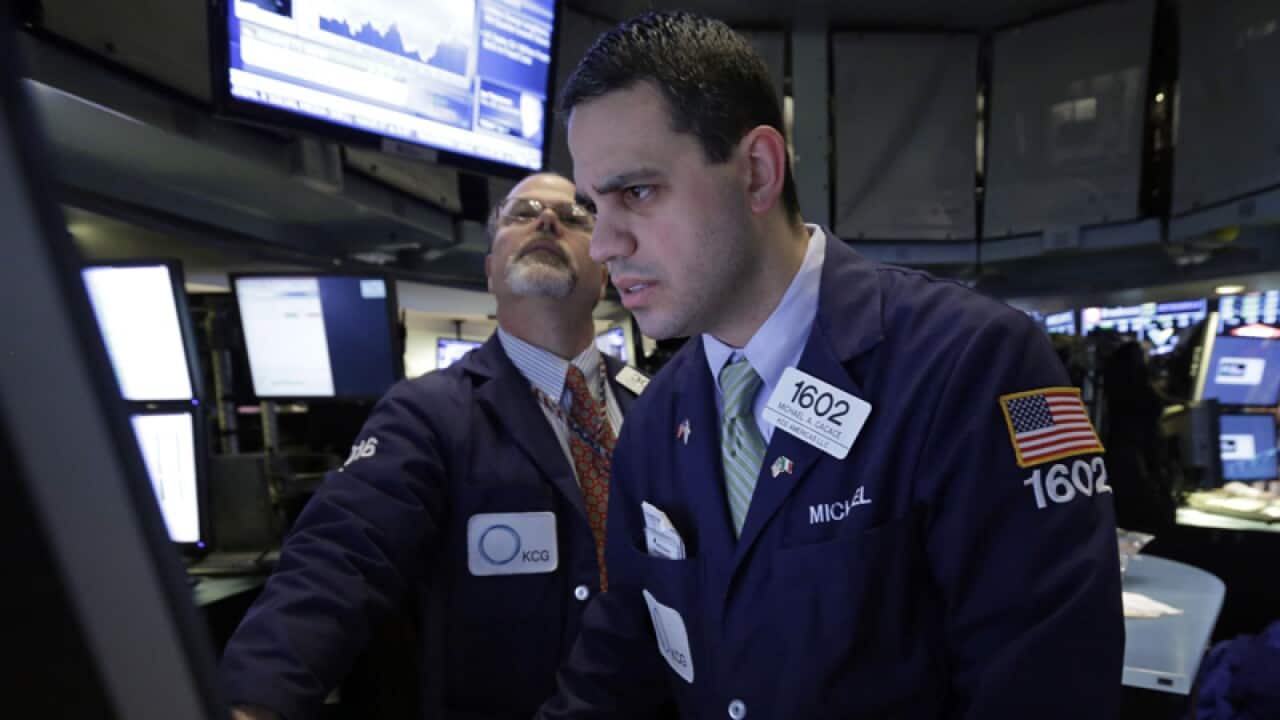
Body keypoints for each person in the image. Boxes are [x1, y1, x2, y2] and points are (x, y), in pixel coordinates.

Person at [537, 11, 1124, 719]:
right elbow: (622, 661)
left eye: (636, 192)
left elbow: (1045, 686)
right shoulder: (657, 420)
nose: (603, 244)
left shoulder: (975, 365)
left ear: (757, 172)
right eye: (593, 206)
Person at [220, 172, 648, 719]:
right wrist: (258, 700)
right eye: (522, 214)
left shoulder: (657, 404)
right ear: (490, 270)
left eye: (574, 218)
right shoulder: (427, 412)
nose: (546, 220)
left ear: (606, 271)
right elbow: (340, 556)